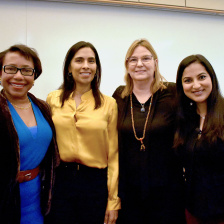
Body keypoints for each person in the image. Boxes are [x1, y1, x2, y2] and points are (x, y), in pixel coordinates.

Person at [45, 41, 120, 224]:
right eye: (79, 60)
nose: (86, 66)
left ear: (96, 67)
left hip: (94, 183)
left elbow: (113, 155)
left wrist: (113, 201)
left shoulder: (108, 104)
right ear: (69, 67)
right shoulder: (53, 98)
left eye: (91, 61)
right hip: (61, 181)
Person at [112, 39, 186, 224]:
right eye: (133, 60)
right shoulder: (118, 97)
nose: (139, 64)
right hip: (130, 193)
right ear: (127, 65)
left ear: (156, 62)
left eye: (146, 58)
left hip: (168, 192)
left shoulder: (173, 93)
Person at [0, 44, 60, 224]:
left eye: (26, 70)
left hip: (38, 199)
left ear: (34, 76)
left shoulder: (43, 107)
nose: (18, 76)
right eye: (11, 69)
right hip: (5, 200)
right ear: (0, 73)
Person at [174, 54, 224, 224]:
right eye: (188, 80)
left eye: (202, 77)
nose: (196, 85)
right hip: (193, 212)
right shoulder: (185, 121)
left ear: (212, 78)